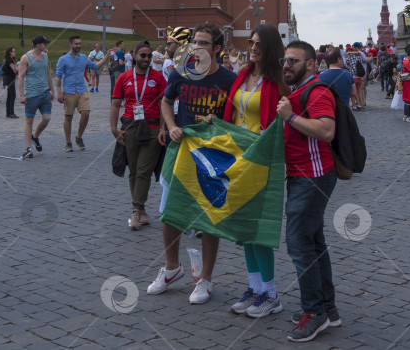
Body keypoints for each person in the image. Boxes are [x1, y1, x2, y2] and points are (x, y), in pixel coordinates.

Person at [147, 23, 236, 304]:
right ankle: (172, 267)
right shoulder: (180, 73)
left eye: (203, 43)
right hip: (182, 148)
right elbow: (166, 101)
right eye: (194, 42)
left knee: (210, 215)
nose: (196, 47)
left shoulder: (229, 79)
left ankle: (206, 278)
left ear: (217, 48)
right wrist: (171, 124)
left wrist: (219, 123)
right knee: (169, 211)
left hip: (213, 153)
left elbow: (237, 116)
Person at [222, 24, 288, 318]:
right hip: (237, 159)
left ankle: (272, 295)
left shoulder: (278, 82)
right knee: (245, 228)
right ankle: (255, 288)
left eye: (259, 43)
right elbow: (234, 112)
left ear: (270, 47)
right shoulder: (243, 75)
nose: (252, 46)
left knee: (259, 229)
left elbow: (288, 119)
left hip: (262, 161)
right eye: (251, 42)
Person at [276, 40, 340, 343]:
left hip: (312, 178)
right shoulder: (299, 92)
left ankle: (314, 313)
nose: (287, 65)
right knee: (314, 243)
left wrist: (290, 116)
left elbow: (327, 130)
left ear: (311, 64)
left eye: (293, 60)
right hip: (305, 176)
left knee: (299, 244)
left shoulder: (317, 91)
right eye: (285, 60)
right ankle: (328, 309)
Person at [110, 42, 167, 229]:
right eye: (143, 55)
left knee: (143, 169)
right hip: (130, 126)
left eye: (149, 56)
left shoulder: (158, 77)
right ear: (134, 56)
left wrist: (162, 129)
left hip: (151, 127)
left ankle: (135, 211)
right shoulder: (124, 77)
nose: (147, 59)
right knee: (134, 170)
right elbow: (115, 104)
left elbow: (165, 105)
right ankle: (141, 211)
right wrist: (114, 129)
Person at [56, 36, 110, 152]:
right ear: (70, 44)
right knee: (68, 116)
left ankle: (79, 137)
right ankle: (68, 142)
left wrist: (106, 57)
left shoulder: (83, 58)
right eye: (76, 44)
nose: (79, 46)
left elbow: (95, 66)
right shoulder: (63, 59)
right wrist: (59, 92)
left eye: (80, 43)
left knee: (86, 113)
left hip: (82, 90)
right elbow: (58, 77)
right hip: (69, 91)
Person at [18, 36, 55, 159]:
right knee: (29, 120)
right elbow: (21, 77)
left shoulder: (45, 56)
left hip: (45, 93)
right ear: (38, 44)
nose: (46, 45)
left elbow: (48, 73)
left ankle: (35, 136)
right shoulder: (25, 57)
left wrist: (52, 89)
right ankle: (28, 148)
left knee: (46, 118)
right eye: (45, 43)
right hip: (32, 94)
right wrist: (22, 95)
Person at [2, 47, 19, 118]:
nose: (15, 53)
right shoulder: (9, 60)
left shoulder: (8, 60)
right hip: (10, 80)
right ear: (10, 53)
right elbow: (15, 70)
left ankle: (8, 112)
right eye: (14, 52)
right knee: (12, 95)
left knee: (9, 96)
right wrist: (21, 67)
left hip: (8, 79)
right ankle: (11, 112)